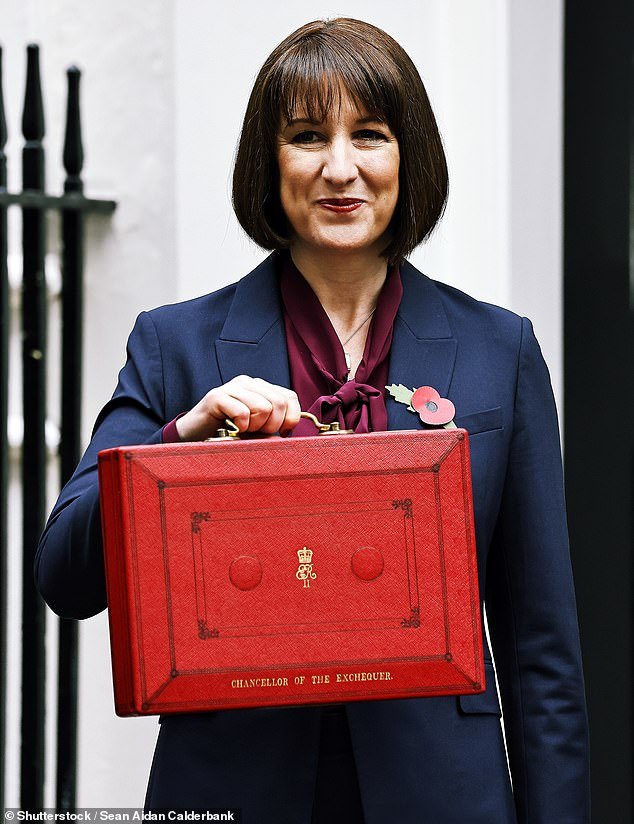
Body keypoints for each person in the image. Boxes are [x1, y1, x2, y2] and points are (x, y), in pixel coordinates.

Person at [34, 17, 590, 824]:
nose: (339, 167)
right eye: (305, 136)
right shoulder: (175, 345)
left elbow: (542, 649)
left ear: (409, 155)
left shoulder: (497, 350)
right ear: (269, 162)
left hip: (442, 794)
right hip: (232, 788)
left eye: (369, 135)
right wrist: (181, 441)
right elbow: (64, 575)